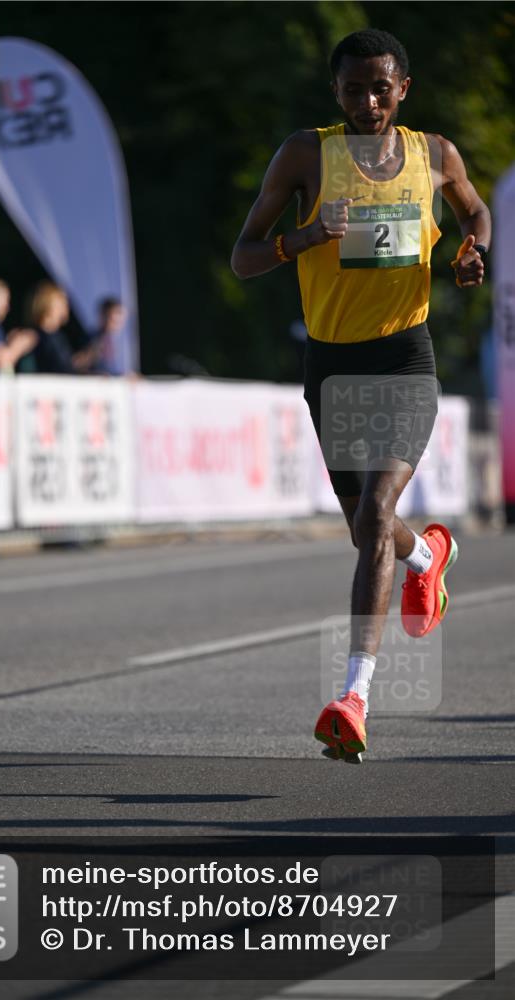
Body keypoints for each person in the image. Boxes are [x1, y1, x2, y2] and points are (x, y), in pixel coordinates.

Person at [231, 28, 490, 762]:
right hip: (331, 366)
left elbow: (474, 211)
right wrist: (303, 237)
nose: (367, 102)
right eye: (353, 90)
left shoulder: (434, 155)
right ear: (334, 92)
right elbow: (243, 256)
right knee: (365, 531)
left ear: (402, 88)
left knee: (377, 512)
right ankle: (425, 558)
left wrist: (474, 250)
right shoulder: (304, 155)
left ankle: (353, 695)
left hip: (405, 356)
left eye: (380, 88)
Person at [72, 297, 128, 376]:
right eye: (113, 318)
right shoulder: (91, 339)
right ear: (103, 316)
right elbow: (76, 365)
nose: (117, 323)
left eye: (120, 320)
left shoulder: (116, 342)